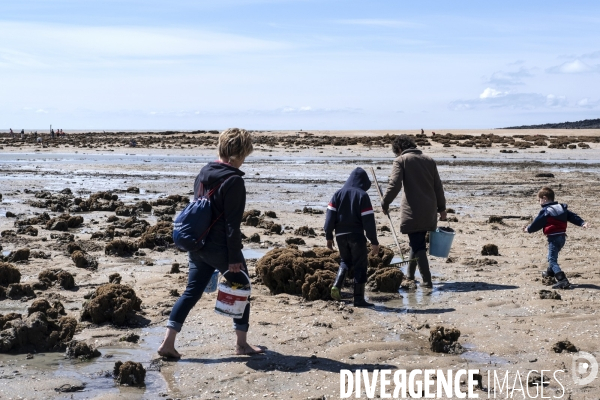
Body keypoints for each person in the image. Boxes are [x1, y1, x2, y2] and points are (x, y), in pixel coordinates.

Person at [157, 128, 263, 359]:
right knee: (242, 287)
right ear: (240, 153)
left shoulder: (204, 172)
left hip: (197, 243)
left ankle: (168, 342)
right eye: (246, 154)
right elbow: (232, 225)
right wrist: (234, 257)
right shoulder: (234, 181)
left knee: (191, 292)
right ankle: (242, 344)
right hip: (220, 247)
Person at [380, 135, 446, 288]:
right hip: (429, 211)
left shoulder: (401, 161)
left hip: (413, 211)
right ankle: (410, 275)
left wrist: (385, 202)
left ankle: (427, 281)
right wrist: (442, 209)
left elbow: (394, 185)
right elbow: (438, 187)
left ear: (399, 149)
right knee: (416, 241)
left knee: (418, 246)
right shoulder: (429, 160)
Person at [324, 167, 380, 307]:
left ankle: (337, 285)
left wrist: (329, 237)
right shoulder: (362, 195)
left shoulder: (338, 194)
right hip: (356, 236)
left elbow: (329, 219)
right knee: (361, 264)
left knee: (345, 261)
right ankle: (359, 299)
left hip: (340, 236)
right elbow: (368, 221)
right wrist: (374, 241)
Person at [523, 187, 588, 289]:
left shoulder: (546, 211)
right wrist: (582, 223)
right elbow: (572, 216)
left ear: (544, 198)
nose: (539, 203)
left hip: (554, 238)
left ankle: (562, 280)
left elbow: (537, 223)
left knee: (552, 259)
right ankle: (550, 272)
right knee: (552, 256)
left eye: (539, 200)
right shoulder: (561, 207)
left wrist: (529, 229)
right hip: (562, 238)